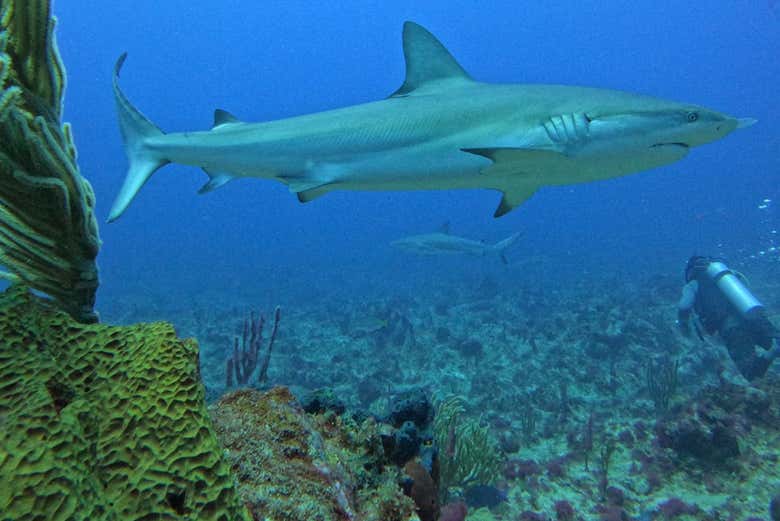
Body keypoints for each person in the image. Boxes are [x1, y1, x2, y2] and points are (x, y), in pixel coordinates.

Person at [677, 256, 780, 381]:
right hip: (755, 317)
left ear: (690, 271)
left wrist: (683, 323)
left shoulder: (693, 284)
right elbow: (746, 289)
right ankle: (775, 347)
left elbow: (684, 306)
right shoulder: (728, 274)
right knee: (776, 340)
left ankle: (773, 351)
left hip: (732, 329)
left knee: (750, 373)